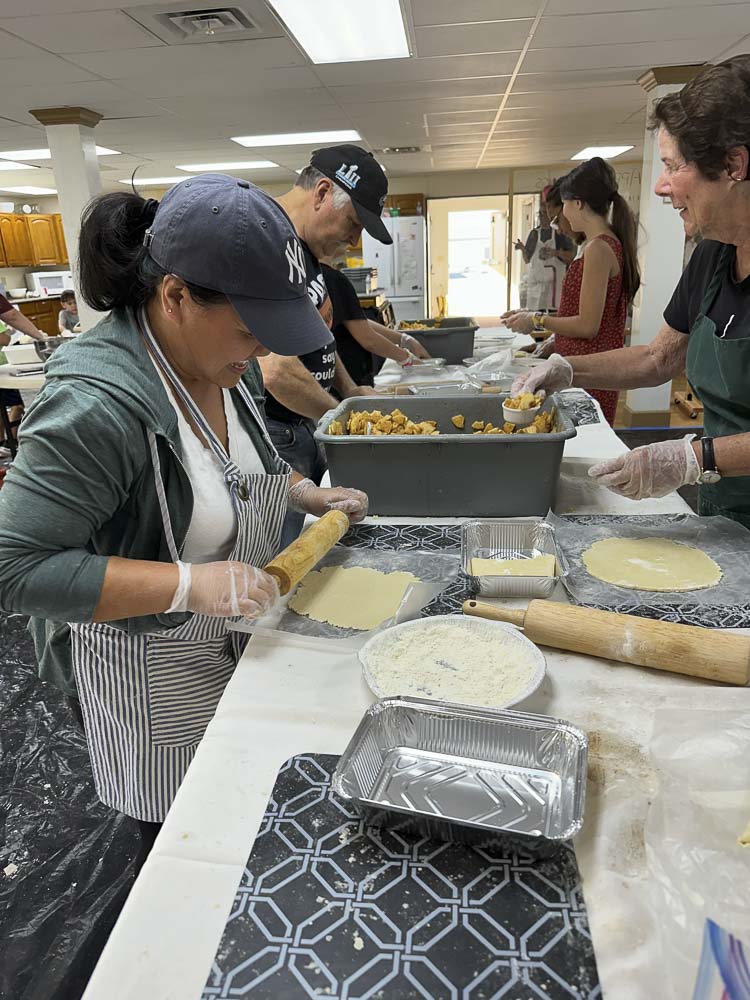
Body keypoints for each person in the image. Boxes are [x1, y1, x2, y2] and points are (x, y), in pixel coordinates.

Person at [0, 174, 369, 843]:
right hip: (151, 677)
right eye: (251, 327)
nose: (262, 347)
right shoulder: (94, 407)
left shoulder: (224, 363)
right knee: (185, 844)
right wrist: (187, 585)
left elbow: (229, 465)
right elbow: (16, 566)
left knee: (242, 817)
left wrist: (301, 491)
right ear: (174, 296)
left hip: (235, 651)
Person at [510, 54, 750, 526]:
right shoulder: (713, 256)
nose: (660, 186)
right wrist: (565, 369)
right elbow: (657, 359)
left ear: (733, 165)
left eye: (672, 166)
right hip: (727, 511)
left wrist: (693, 459)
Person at [264, 144, 393, 544]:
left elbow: (319, 336)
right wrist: (344, 417)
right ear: (322, 193)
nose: (354, 241)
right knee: (287, 551)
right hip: (277, 429)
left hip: (308, 419)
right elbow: (275, 371)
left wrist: (350, 389)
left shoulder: (306, 251)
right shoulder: (267, 245)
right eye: (354, 224)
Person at [503, 158, 641, 424]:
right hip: (579, 364)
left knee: (583, 442)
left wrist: (537, 319)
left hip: (590, 371)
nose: (562, 214)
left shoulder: (600, 248)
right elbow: (580, 310)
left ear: (577, 203)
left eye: (564, 205)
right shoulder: (597, 245)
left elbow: (588, 325)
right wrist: (550, 339)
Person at [320, 260, 431, 386]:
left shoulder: (330, 278)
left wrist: (404, 339)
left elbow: (357, 321)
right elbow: (368, 338)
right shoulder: (331, 279)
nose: (353, 242)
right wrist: (407, 359)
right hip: (343, 374)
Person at [514, 196, 575, 312]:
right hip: (536, 285)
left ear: (551, 214)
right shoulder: (534, 234)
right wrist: (522, 249)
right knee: (536, 317)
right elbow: (527, 260)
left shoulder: (559, 233)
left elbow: (571, 257)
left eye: (544, 213)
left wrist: (555, 252)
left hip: (554, 287)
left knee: (553, 315)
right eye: (539, 214)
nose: (541, 217)